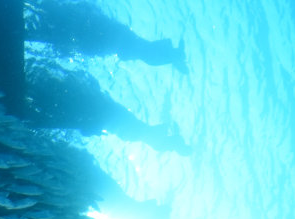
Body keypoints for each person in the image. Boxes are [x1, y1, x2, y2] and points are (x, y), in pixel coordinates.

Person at [25, 62, 190, 154]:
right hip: (99, 112)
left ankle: (172, 142)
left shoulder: (135, 130)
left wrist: (90, 126)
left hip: (100, 113)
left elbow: (99, 118)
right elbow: (99, 117)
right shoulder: (134, 130)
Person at [29, 0, 187, 73]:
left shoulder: (66, 18)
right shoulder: (69, 14)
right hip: (110, 38)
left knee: (143, 50)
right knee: (142, 50)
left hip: (111, 38)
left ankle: (173, 55)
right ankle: (173, 55)